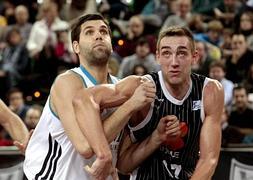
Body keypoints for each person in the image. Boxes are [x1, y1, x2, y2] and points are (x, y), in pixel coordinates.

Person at [23, 13, 156, 180]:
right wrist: (129, 106)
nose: (98, 35)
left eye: (103, 32)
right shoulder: (67, 83)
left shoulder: (122, 87)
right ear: (76, 47)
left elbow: (123, 161)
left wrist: (158, 136)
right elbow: (85, 146)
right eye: (89, 32)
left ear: (111, 45)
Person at [115, 26, 224, 179]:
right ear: (157, 57)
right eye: (167, 53)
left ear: (194, 57)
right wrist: (156, 138)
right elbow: (123, 166)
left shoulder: (210, 91)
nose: (174, 62)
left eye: (181, 53)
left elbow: (209, 160)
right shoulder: (140, 87)